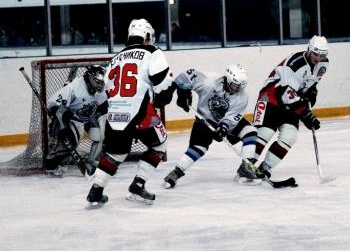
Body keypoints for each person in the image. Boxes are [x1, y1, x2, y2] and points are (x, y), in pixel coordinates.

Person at [86, 18, 176, 206]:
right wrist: (167, 93)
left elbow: (107, 90)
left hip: (116, 114)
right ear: (147, 36)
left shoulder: (114, 58)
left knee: (116, 153)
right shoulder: (152, 51)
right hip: (141, 113)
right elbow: (162, 83)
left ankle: (95, 191)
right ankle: (138, 184)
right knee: (159, 145)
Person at [163, 64, 259, 188]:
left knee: (250, 131)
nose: (237, 89)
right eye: (235, 85)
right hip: (205, 118)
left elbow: (232, 117)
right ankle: (176, 172)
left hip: (225, 121)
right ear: (228, 79)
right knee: (199, 148)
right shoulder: (209, 81)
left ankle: (246, 168)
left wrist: (223, 128)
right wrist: (182, 93)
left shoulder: (242, 96)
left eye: (240, 86)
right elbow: (186, 75)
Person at [248, 35, 329, 182]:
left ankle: (264, 169)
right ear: (309, 50)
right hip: (271, 97)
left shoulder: (323, 65)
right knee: (265, 133)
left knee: (289, 136)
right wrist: (306, 115)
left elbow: (310, 84)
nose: (318, 58)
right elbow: (286, 93)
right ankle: (246, 168)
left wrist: (311, 93)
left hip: (291, 102)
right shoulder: (295, 64)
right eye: (316, 54)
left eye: (322, 55)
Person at [46, 65, 108, 177]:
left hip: (90, 116)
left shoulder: (103, 90)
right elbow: (54, 106)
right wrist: (62, 124)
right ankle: (57, 162)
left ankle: (92, 161)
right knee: (70, 140)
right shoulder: (75, 87)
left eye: (102, 82)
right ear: (90, 79)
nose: (100, 85)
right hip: (73, 117)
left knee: (99, 135)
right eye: (98, 82)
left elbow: (103, 108)